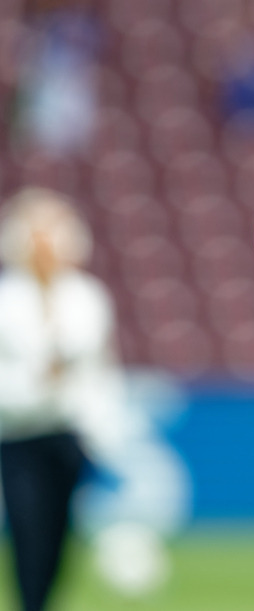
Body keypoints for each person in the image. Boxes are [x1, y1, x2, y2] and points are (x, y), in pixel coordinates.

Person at [0, 188, 122, 611]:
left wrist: (100, 431)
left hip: (70, 438)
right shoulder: (7, 300)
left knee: (58, 538)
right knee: (28, 534)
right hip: (20, 437)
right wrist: (43, 381)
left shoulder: (86, 298)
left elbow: (97, 375)